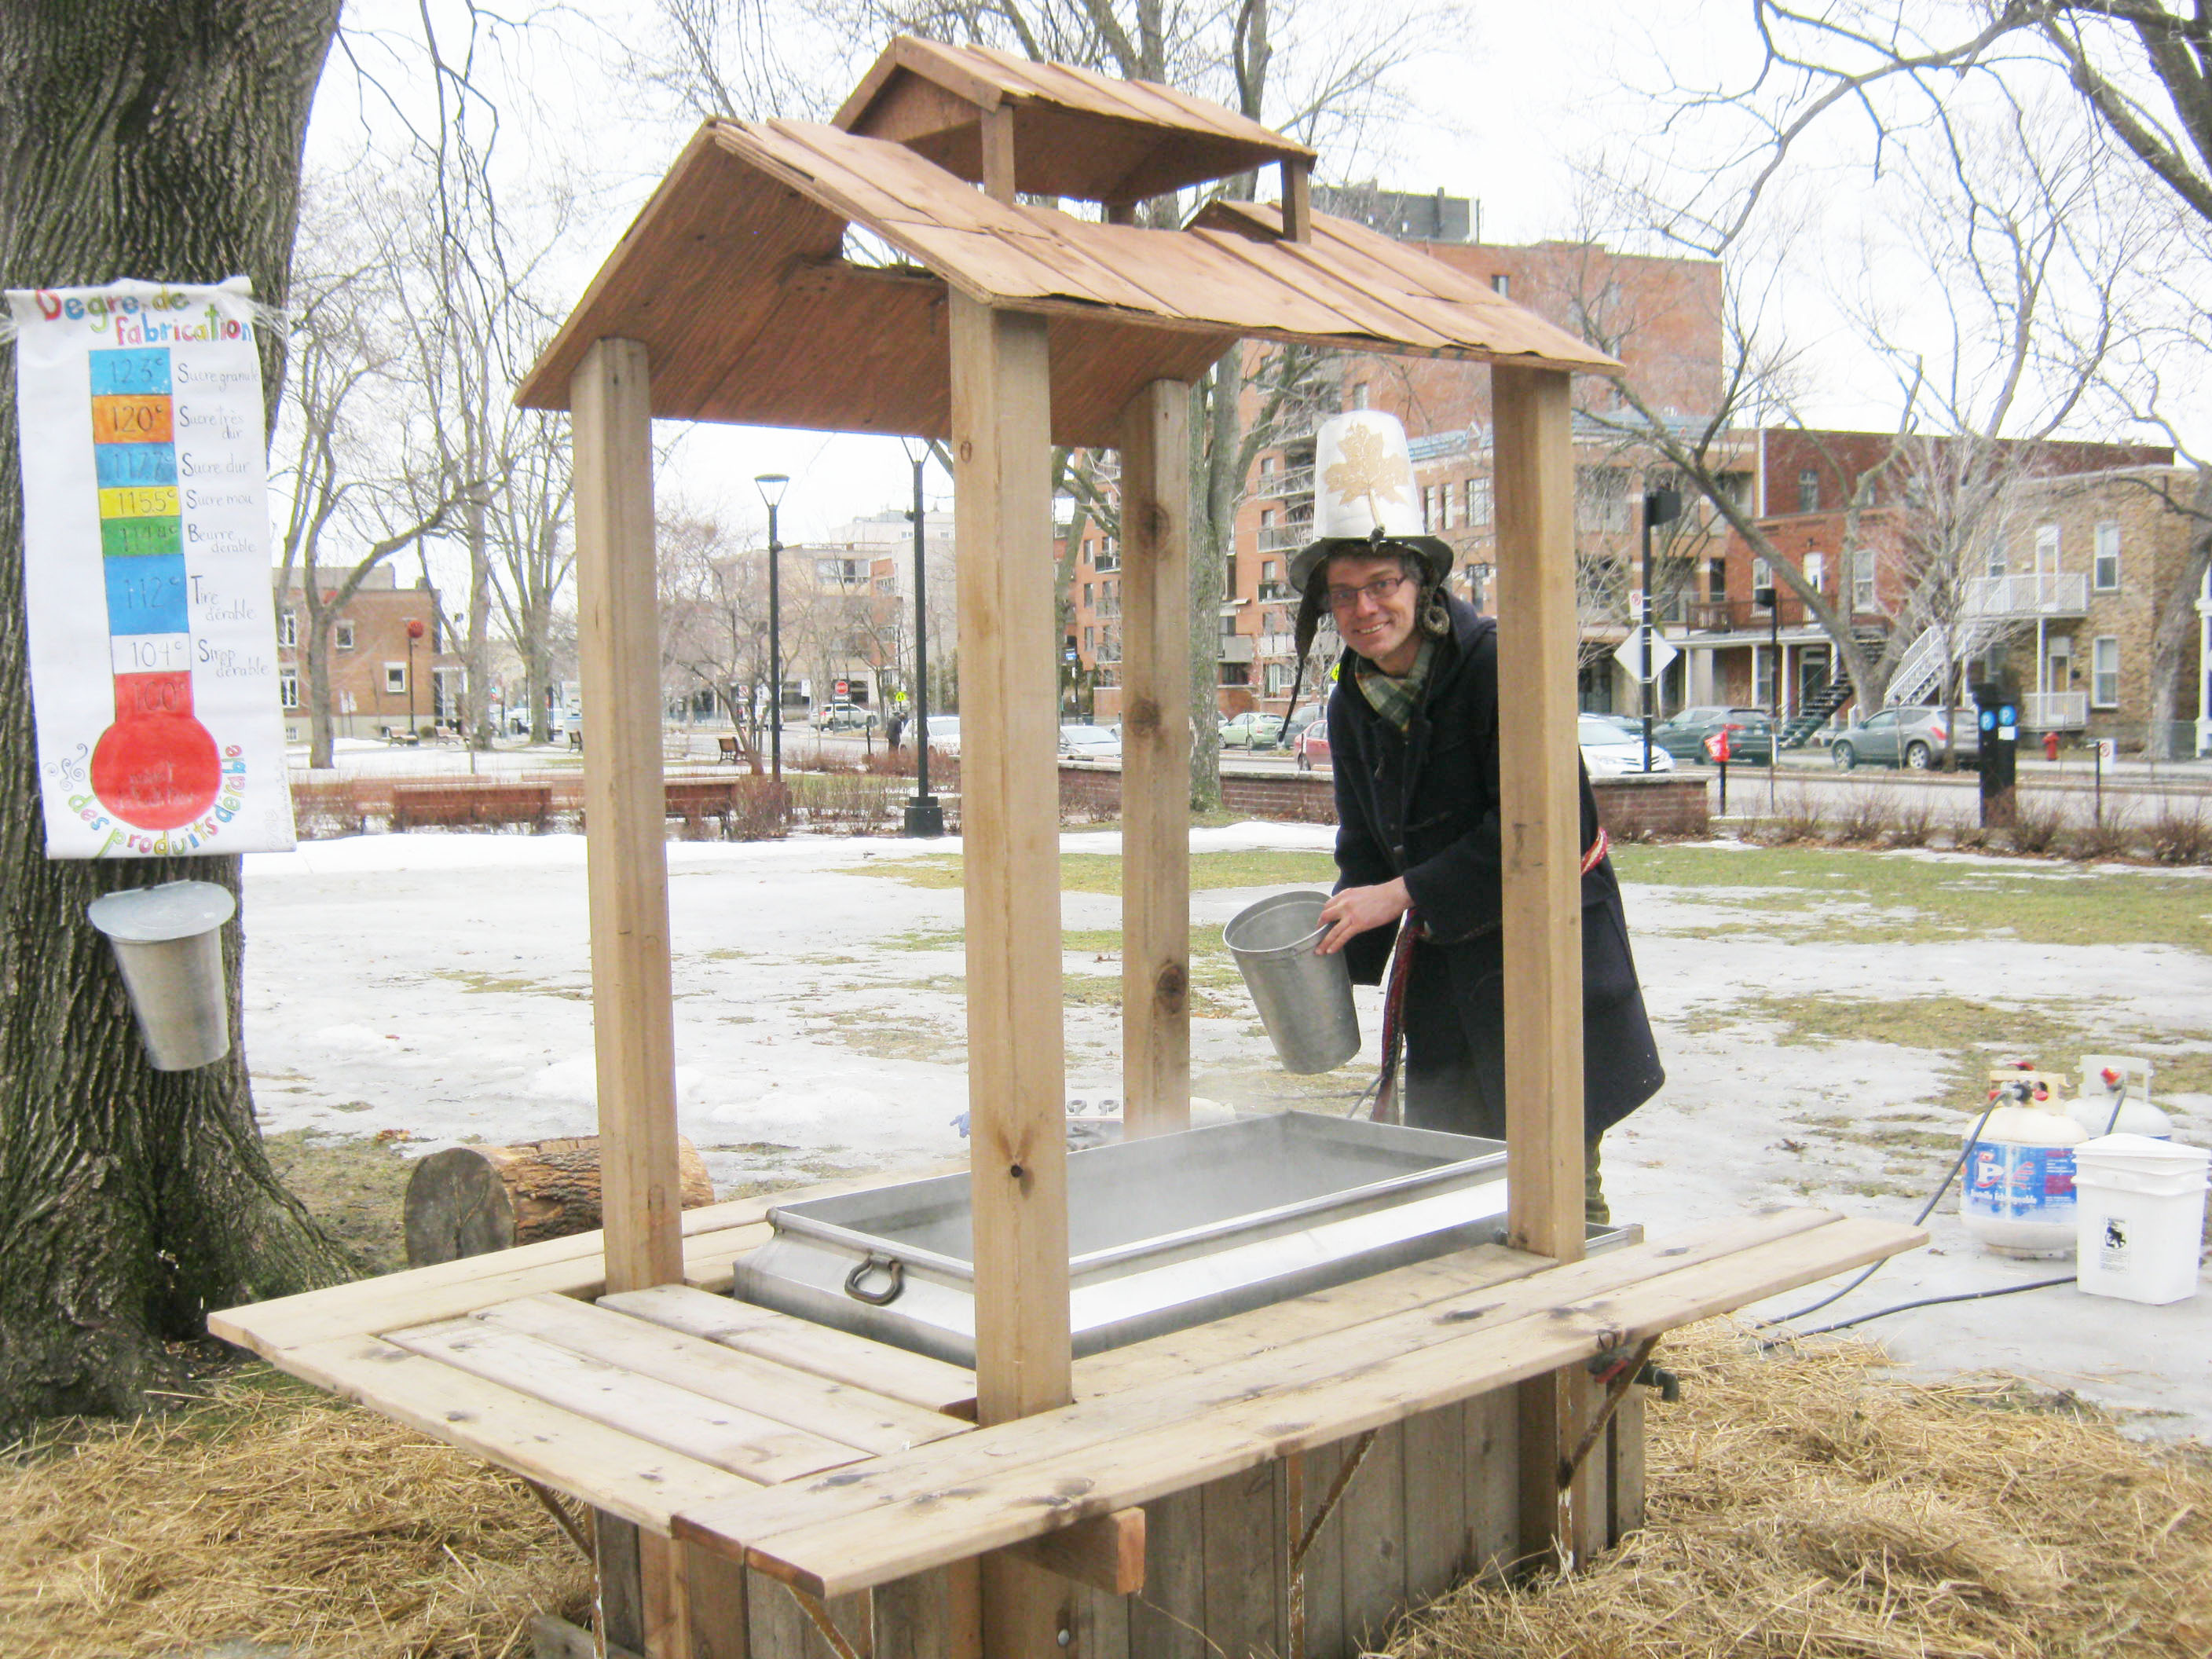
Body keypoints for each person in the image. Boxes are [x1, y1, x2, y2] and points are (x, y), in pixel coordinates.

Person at [1292, 412, 1664, 1224]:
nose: (1363, 608)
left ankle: (1592, 1350)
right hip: (1446, 978)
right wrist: (1323, 963)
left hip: (1546, 952)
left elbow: (1547, 830)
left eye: (1381, 584)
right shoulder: (1350, 703)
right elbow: (1365, 851)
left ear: (1419, 583)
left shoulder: (1499, 666)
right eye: (1344, 593)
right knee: (1454, 1190)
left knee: (1559, 1182)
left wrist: (1399, 894)